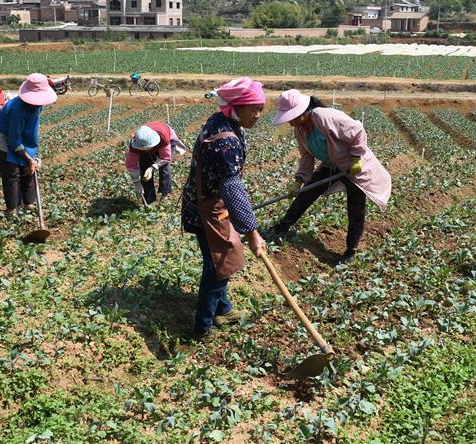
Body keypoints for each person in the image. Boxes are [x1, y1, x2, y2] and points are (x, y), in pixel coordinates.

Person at [180, 77, 267, 340]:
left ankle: (223, 309)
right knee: (219, 266)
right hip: (207, 209)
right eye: (254, 109)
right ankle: (202, 328)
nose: (259, 115)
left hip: (203, 202)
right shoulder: (226, 141)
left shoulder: (220, 121)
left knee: (217, 260)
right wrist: (253, 233)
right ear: (237, 107)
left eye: (261, 108)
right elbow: (232, 189)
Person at [269, 89, 392, 260]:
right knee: (306, 193)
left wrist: (356, 157)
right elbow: (306, 156)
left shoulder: (323, 117)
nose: (290, 122)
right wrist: (299, 179)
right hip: (332, 165)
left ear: (303, 112)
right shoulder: (300, 129)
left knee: (356, 208)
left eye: (292, 117)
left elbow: (357, 130)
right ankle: (282, 227)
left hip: (354, 166)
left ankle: (351, 251)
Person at [0, 73, 57, 215]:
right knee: (12, 171)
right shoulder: (17, 110)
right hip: (1, 136)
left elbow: (29, 132)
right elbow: (14, 141)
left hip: (18, 136)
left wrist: (30, 159)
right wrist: (29, 158)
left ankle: (29, 203)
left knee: (28, 169)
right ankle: (12, 208)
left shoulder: (37, 105)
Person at [125, 121, 187, 205]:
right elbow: (131, 165)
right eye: (143, 149)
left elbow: (165, 158)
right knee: (144, 168)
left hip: (169, 139)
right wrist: (137, 183)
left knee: (165, 167)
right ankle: (149, 200)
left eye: (147, 149)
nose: (146, 151)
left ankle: (165, 195)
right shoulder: (136, 143)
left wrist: (152, 167)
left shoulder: (163, 138)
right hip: (148, 142)